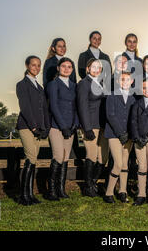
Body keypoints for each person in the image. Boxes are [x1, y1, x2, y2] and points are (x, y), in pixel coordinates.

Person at [16, 55, 50, 206]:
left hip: (39, 128)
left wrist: (46, 128)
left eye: (38, 65)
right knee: (30, 156)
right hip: (26, 126)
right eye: (33, 65)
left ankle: (30, 194)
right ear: (27, 65)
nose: (36, 68)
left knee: (34, 159)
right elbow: (25, 107)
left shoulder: (39, 87)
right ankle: (23, 195)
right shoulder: (21, 84)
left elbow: (44, 109)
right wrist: (34, 126)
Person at [45, 57, 80, 201]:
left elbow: (76, 107)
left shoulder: (74, 86)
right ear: (58, 68)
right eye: (64, 66)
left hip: (70, 127)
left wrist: (75, 124)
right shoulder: (53, 84)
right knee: (58, 156)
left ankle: (61, 189)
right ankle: (51, 191)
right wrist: (63, 126)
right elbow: (53, 106)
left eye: (69, 67)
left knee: (66, 158)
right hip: (56, 127)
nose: (66, 69)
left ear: (72, 70)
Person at [77, 59, 109, 197]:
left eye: (99, 67)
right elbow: (82, 106)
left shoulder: (102, 83)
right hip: (91, 125)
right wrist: (87, 128)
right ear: (88, 69)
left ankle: (94, 182)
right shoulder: (84, 84)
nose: (96, 69)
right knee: (91, 155)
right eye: (93, 67)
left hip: (103, 126)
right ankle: (88, 187)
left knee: (104, 157)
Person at [103, 72, 136, 203]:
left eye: (128, 80)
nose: (125, 82)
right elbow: (110, 115)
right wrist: (120, 133)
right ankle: (109, 192)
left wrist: (128, 133)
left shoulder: (133, 99)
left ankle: (123, 191)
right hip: (114, 134)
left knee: (125, 163)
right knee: (118, 163)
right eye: (122, 80)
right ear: (118, 81)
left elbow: (133, 118)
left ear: (132, 81)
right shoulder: (112, 96)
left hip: (128, 135)